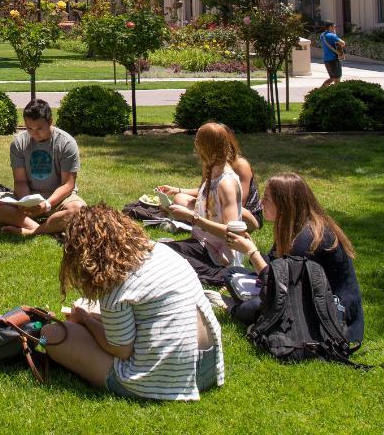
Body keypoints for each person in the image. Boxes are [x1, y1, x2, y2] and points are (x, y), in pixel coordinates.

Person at [42, 204, 223, 401]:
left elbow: (120, 350)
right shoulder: (163, 252)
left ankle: (44, 342)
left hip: (167, 380)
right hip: (208, 368)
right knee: (97, 311)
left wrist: (85, 319)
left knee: (51, 334)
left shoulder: (114, 281)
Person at [224, 172, 364, 343]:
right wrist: (250, 245)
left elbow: (280, 287)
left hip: (331, 315)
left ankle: (233, 309)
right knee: (232, 273)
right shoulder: (292, 226)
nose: (261, 203)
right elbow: (276, 266)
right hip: (303, 294)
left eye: (267, 199)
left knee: (252, 306)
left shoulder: (307, 239)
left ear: (283, 203)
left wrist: (252, 252)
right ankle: (244, 308)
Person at [162, 123, 247, 286]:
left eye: (197, 141)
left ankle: (218, 276)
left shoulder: (227, 183)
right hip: (203, 245)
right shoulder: (211, 169)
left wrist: (192, 217)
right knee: (159, 252)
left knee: (168, 263)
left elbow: (232, 234)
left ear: (206, 147)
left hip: (219, 259)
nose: (195, 144)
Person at [0, 99, 85, 236]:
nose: (34, 134)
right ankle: (46, 229)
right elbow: (20, 181)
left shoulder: (66, 143)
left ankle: (32, 231)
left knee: (79, 209)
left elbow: (68, 184)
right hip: (30, 195)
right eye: (29, 128)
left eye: (39, 128)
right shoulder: (19, 143)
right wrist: (27, 203)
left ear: (50, 122)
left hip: (58, 198)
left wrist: (46, 205)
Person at [157, 122, 263, 230]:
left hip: (246, 214)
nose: (196, 145)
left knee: (212, 207)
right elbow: (205, 191)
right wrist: (177, 190)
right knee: (180, 198)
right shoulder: (210, 164)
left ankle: (198, 221)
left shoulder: (239, 166)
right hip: (217, 210)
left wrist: (195, 214)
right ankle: (200, 220)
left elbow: (240, 202)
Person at [320, 21, 346, 88]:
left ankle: (321, 90)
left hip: (326, 60)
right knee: (337, 79)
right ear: (330, 27)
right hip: (334, 60)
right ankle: (336, 94)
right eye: (334, 26)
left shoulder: (322, 35)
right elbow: (343, 43)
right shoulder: (332, 35)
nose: (334, 28)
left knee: (332, 78)